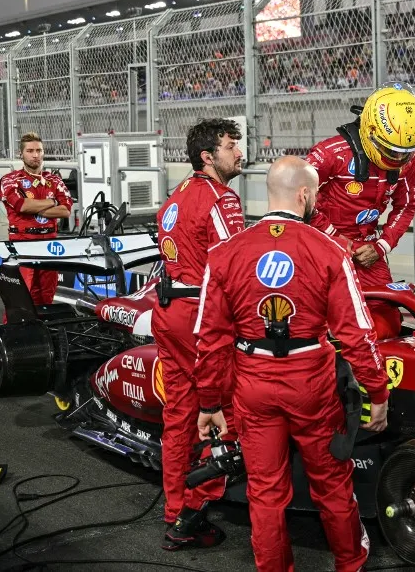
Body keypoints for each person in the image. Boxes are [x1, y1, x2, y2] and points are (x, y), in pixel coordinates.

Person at [195, 156, 389, 572]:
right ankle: (351, 563)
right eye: (315, 192)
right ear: (305, 194)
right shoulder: (330, 251)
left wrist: (209, 403)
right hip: (312, 385)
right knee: (333, 486)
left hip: (253, 383)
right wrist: (378, 392)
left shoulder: (224, 254)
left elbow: (210, 338)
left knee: (264, 492)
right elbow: (357, 333)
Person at [154, 118, 246, 550]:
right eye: (231, 146)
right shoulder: (221, 199)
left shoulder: (175, 197)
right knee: (223, 413)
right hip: (200, 319)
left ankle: (175, 511)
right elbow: (238, 267)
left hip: (169, 311)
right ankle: (191, 516)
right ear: (208, 156)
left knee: (179, 416)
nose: (239, 152)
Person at [306, 82, 415, 288]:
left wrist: (381, 246)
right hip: (322, 244)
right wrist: (335, 238)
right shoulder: (331, 153)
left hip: (367, 249)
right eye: (392, 150)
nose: (399, 158)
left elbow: (406, 205)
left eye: (405, 152)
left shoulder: (409, 160)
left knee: (385, 312)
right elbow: (297, 195)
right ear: (371, 130)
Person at [0, 133, 73, 308]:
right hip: (22, 244)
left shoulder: (54, 180)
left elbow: (66, 210)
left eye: (39, 150)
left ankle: (41, 333)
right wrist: (53, 202)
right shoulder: (10, 180)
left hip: (49, 245)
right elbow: (22, 205)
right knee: (19, 299)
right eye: (30, 151)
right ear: (21, 154)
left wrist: (36, 208)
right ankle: (15, 334)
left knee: (46, 298)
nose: (35, 155)